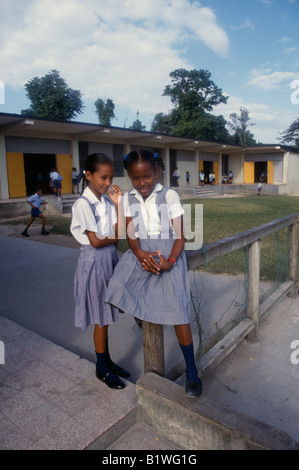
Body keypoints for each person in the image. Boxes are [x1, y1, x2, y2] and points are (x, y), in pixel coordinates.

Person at [105, 149, 202, 397]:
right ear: (129, 177)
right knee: (117, 283)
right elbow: (131, 234)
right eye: (136, 178)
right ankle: (139, 314)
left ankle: (192, 372)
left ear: (156, 172)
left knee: (179, 313)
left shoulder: (168, 196)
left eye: (146, 176)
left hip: (169, 254)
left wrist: (169, 260)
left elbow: (180, 237)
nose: (142, 183)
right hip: (143, 252)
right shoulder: (128, 199)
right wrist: (138, 254)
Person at [70, 153, 129, 390]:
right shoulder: (83, 204)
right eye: (103, 177)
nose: (107, 183)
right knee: (100, 318)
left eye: (110, 178)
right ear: (88, 175)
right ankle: (101, 367)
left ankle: (107, 360)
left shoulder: (105, 203)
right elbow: (95, 241)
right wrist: (114, 236)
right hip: (94, 262)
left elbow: (117, 235)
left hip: (109, 259)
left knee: (106, 315)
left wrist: (117, 204)